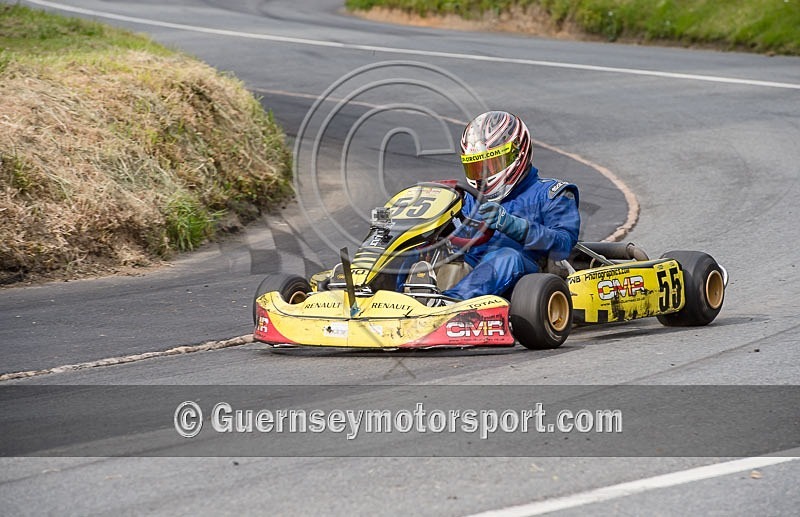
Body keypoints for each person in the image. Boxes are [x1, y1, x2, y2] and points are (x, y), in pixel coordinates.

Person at [407, 110, 581, 302]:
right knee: (416, 250)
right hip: (470, 269)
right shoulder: (466, 198)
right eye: (476, 167)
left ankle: (446, 305)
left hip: (526, 278)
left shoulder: (552, 193)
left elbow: (564, 243)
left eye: (491, 165)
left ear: (518, 154)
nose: (482, 175)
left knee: (506, 256)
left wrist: (514, 226)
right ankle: (393, 300)